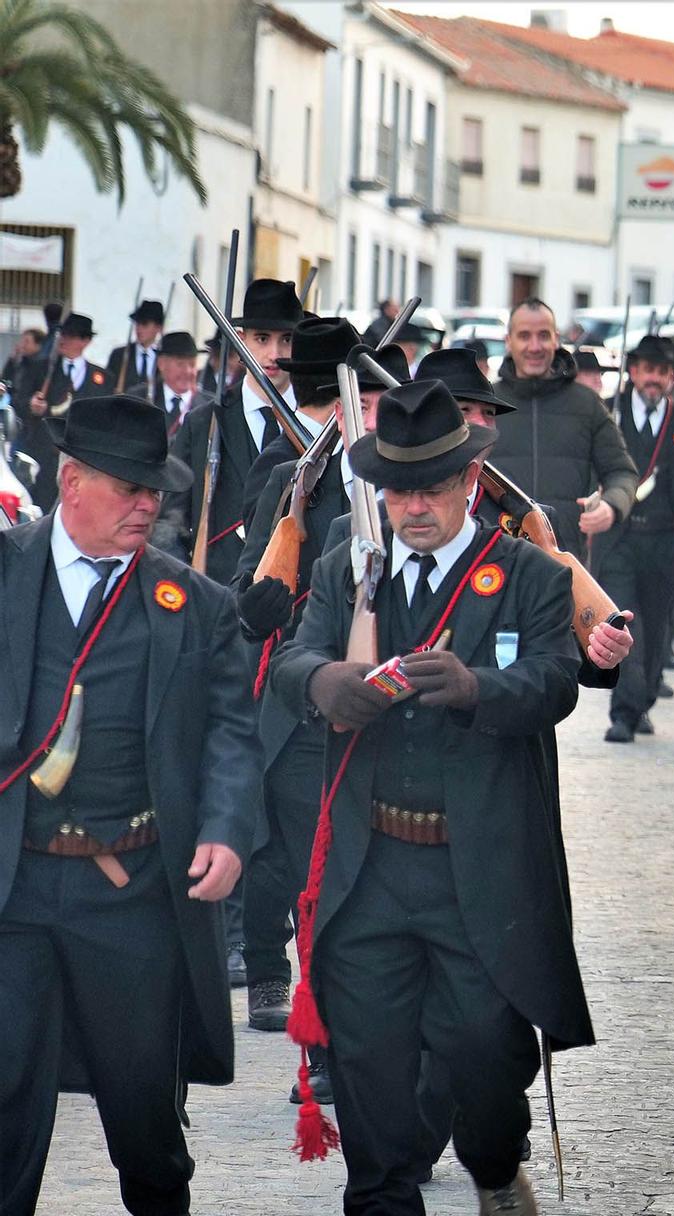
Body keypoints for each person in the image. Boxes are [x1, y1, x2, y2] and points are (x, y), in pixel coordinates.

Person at [270, 378, 591, 1216]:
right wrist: (324, 682)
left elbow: (558, 680)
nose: (413, 505)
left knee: (485, 1052)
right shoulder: (347, 564)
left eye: (432, 487)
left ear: (469, 479)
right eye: (398, 488)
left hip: (477, 866)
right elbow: (294, 651)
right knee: (367, 1056)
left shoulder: (527, 573)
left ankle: (496, 1159)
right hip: (371, 861)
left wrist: (478, 690)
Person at [0, 394, 258, 1216]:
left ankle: (161, 1205)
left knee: (141, 1070)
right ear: (70, 482)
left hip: (134, 877)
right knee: (7, 1065)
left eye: (157, 488)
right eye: (128, 486)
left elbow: (233, 725)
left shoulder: (194, 604)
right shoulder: (6, 566)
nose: (147, 504)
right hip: (17, 878)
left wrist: (227, 828)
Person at [232, 316, 365, 1040]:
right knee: (280, 855)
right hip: (295, 697)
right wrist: (261, 602)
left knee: (339, 862)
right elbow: (244, 587)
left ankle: (326, 1004)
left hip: (367, 693)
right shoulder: (292, 482)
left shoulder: (398, 488)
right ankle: (266, 970)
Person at [163, 279, 304, 584]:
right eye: (262, 339)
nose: (274, 353)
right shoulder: (204, 423)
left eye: (287, 340)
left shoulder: (315, 424)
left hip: (294, 599)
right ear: (241, 342)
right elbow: (172, 517)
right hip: (215, 593)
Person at [601, 334, 674, 743]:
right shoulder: (610, 415)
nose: (653, 379)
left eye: (662, 372)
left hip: (667, 542)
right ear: (633, 372)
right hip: (621, 539)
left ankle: (642, 701)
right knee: (627, 624)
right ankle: (623, 713)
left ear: (671, 378)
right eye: (647, 370)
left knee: (659, 627)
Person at [489, 300, 638, 557]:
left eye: (543, 336)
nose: (534, 346)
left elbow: (622, 473)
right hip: (495, 559)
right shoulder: (485, 404)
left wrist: (611, 506)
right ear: (508, 341)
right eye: (524, 336)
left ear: (556, 340)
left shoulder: (587, 404)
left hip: (566, 563)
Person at [19, 313, 107, 512]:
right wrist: (31, 405)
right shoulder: (39, 369)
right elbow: (19, 401)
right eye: (63, 334)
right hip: (45, 457)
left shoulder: (101, 377)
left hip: (84, 460)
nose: (64, 339)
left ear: (86, 341)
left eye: (72, 335)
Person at [105, 298, 167, 399]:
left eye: (145, 324)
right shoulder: (119, 355)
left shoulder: (165, 357)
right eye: (137, 323)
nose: (139, 329)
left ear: (158, 327)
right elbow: (107, 387)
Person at [155, 331, 203, 436]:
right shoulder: (140, 398)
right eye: (180, 364)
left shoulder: (210, 406)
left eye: (192, 364)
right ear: (161, 364)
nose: (187, 371)